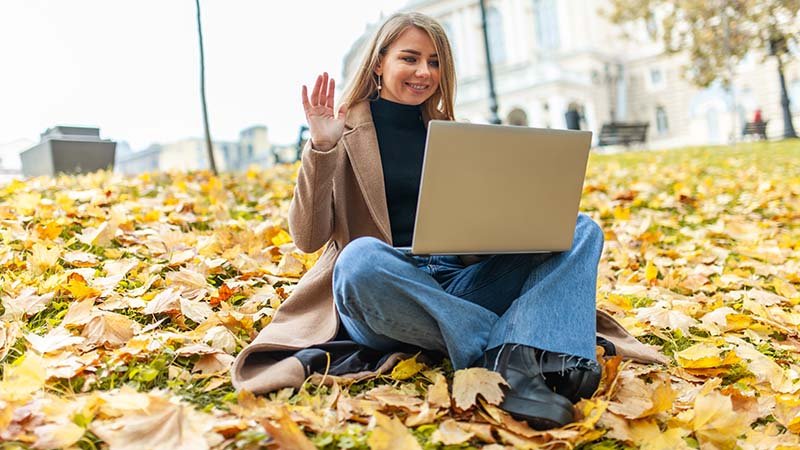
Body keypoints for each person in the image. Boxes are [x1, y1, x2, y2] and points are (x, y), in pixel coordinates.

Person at [230, 11, 666, 431]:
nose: (424, 72)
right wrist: (321, 149)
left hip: (460, 282)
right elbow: (308, 238)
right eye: (410, 58)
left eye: (435, 62)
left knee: (580, 228)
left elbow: (477, 236)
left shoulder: (455, 133)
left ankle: (508, 357)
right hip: (386, 290)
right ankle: (527, 345)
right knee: (359, 259)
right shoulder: (340, 132)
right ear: (378, 63)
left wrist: (501, 229)